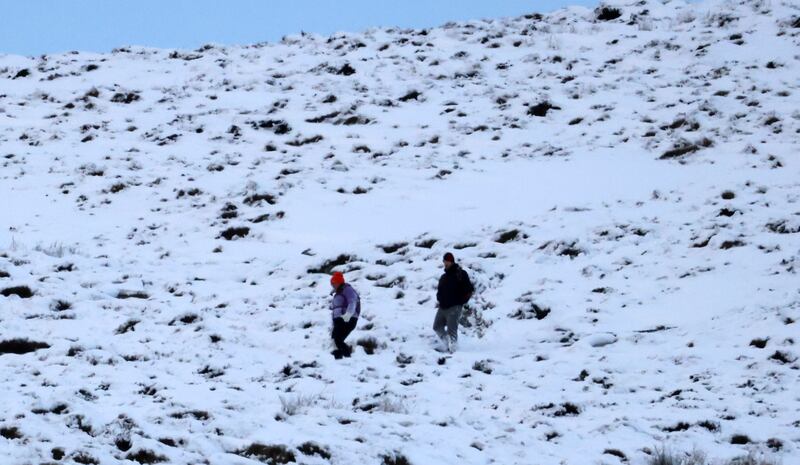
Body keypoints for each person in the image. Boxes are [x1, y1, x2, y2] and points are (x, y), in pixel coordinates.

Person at [434, 252, 474, 353]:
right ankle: (447, 343)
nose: (445, 263)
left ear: (452, 261)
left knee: (452, 331)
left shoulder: (460, 274)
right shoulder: (443, 277)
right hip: (442, 307)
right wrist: (439, 298)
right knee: (437, 326)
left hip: (454, 307)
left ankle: (454, 353)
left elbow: (469, 289)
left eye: (447, 261)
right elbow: (439, 290)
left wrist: (460, 302)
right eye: (444, 261)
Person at [329, 271, 361, 359]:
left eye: (334, 283)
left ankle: (348, 359)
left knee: (338, 340)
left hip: (347, 319)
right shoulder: (338, 293)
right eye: (332, 284)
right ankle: (338, 361)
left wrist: (348, 314)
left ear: (339, 282)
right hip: (338, 320)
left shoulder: (347, 289)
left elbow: (352, 302)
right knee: (334, 341)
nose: (332, 285)